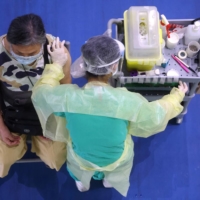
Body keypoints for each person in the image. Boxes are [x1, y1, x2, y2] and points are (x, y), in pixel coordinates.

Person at [31, 36, 188, 197]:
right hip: (116, 159)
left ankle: (82, 183)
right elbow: (156, 114)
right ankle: (109, 181)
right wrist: (176, 97)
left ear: (83, 64)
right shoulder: (127, 101)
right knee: (117, 165)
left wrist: (57, 63)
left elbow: (41, 94)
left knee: (78, 167)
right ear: (114, 67)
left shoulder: (67, 98)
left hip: (81, 157)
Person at [0, 13, 71, 177]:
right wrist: (2, 128)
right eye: (19, 52)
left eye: (31, 53)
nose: (25, 58)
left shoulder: (58, 53)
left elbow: (65, 88)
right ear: (9, 42)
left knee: (55, 160)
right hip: (9, 112)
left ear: (41, 44)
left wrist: (54, 124)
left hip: (46, 114)